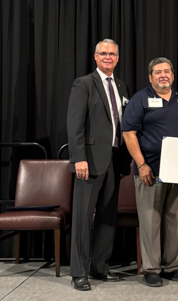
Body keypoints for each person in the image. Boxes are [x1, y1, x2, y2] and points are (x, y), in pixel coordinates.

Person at [67, 39, 131, 291]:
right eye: (103, 53)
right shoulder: (83, 84)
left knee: (107, 217)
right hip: (89, 162)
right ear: (95, 56)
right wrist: (78, 157)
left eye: (112, 54)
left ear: (117, 57)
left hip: (114, 161)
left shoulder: (122, 86)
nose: (108, 57)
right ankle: (78, 272)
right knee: (83, 218)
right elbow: (75, 125)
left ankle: (99, 267)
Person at [122, 57, 178, 287]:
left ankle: (172, 266)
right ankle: (151, 268)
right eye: (158, 72)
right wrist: (141, 165)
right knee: (150, 220)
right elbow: (128, 133)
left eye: (167, 71)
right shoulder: (140, 99)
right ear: (150, 77)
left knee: (176, 219)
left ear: (173, 75)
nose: (163, 75)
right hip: (149, 171)